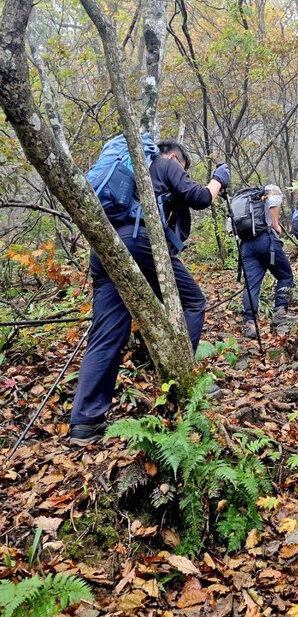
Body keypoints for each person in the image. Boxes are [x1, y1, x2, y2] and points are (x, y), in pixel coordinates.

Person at [69, 141, 230, 447]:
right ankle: (183, 378)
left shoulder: (131, 174)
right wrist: (219, 178)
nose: (181, 171)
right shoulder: (165, 163)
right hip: (138, 242)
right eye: (183, 166)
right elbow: (200, 197)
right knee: (193, 301)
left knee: (107, 332)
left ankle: (85, 422)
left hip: (104, 247)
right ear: (174, 157)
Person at [240, 184, 295, 339]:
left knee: (251, 285)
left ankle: (250, 323)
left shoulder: (247, 204)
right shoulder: (272, 195)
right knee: (285, 276)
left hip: (247, 246)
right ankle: (280, 314)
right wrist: (276, 225)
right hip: (266, 241)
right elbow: (273, 202)